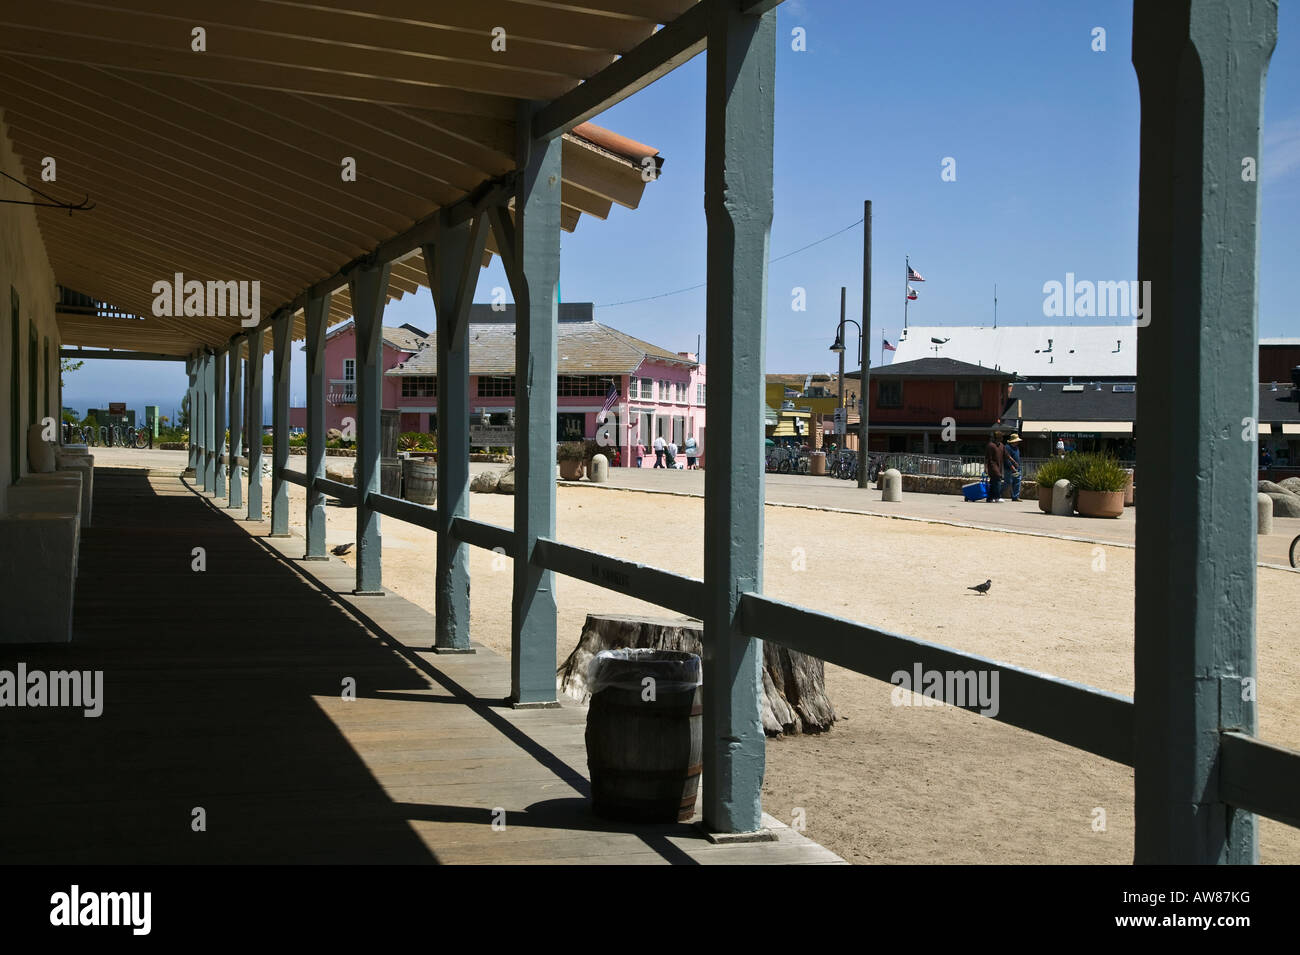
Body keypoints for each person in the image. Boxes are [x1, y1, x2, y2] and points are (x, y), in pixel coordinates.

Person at [985, 431, 1005, 503]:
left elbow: (1007, 455)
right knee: (998, 480)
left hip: (999, 466)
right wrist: (986, 468)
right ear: (998, 437)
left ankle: (990, 498)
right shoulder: (990, 445)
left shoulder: (1001, 445)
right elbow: (987, 458)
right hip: (992, 466)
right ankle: (997, 497)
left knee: (993, 482)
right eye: (1001, 437)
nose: (1002, 438)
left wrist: (1013, 462)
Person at [1004, 433, 1023, 502]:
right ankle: (997, 494)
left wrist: (1018, 466)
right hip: (1009, 468)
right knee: (1007, 482)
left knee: (1017, 482)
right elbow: (1006, 458)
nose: (1017, 442)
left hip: (1017, 467)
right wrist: (1012, 467)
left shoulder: (1016, 448)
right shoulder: (1007, 447)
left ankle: (1015, 497)